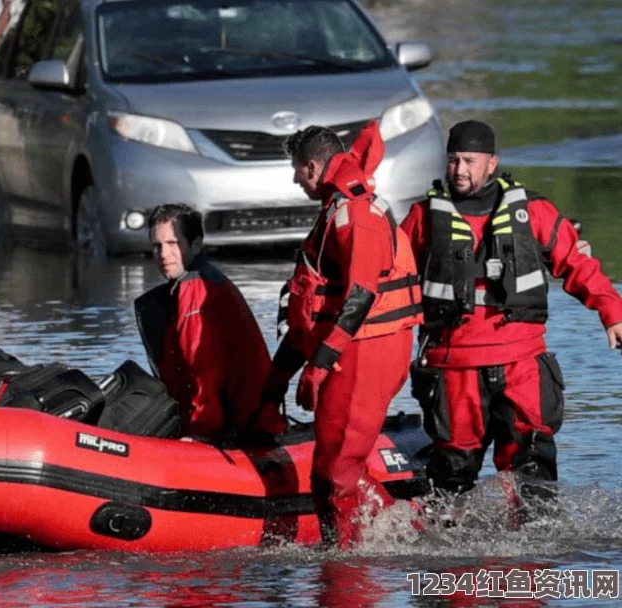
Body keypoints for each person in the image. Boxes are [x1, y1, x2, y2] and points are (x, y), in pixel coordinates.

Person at [400, 120, 622, 518]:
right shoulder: (422, 218)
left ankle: (534, 570)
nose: (460, 170)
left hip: (521, 364)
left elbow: (578, 266)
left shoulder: (534, 211)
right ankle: (452, 572)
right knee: (450, 477)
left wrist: (613, 313)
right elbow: (390, 282)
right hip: (454, 368)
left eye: (469, 161)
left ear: (492, 163)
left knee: (534, 473)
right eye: (453, 161)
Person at [260, 121, 422, 548]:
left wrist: (322, 361)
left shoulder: (356, 213)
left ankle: (346, 570)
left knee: (335, 474)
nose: (296, 180)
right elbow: (317, 303)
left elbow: (362, 293)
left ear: (313, 166)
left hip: (365, 350)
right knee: (336, 466)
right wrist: (279, 377)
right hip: (355, 348)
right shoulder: (337, 209)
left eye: (297, 170)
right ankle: (405, 534)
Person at [133, 204, 286, 444]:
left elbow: (203, 368)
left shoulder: (196, 288)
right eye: (157, 245)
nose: (163, 254)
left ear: (196, 244)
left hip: (242, 430)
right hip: (243, 423)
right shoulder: (199, 281)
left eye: (173, 244)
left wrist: (200, 433)